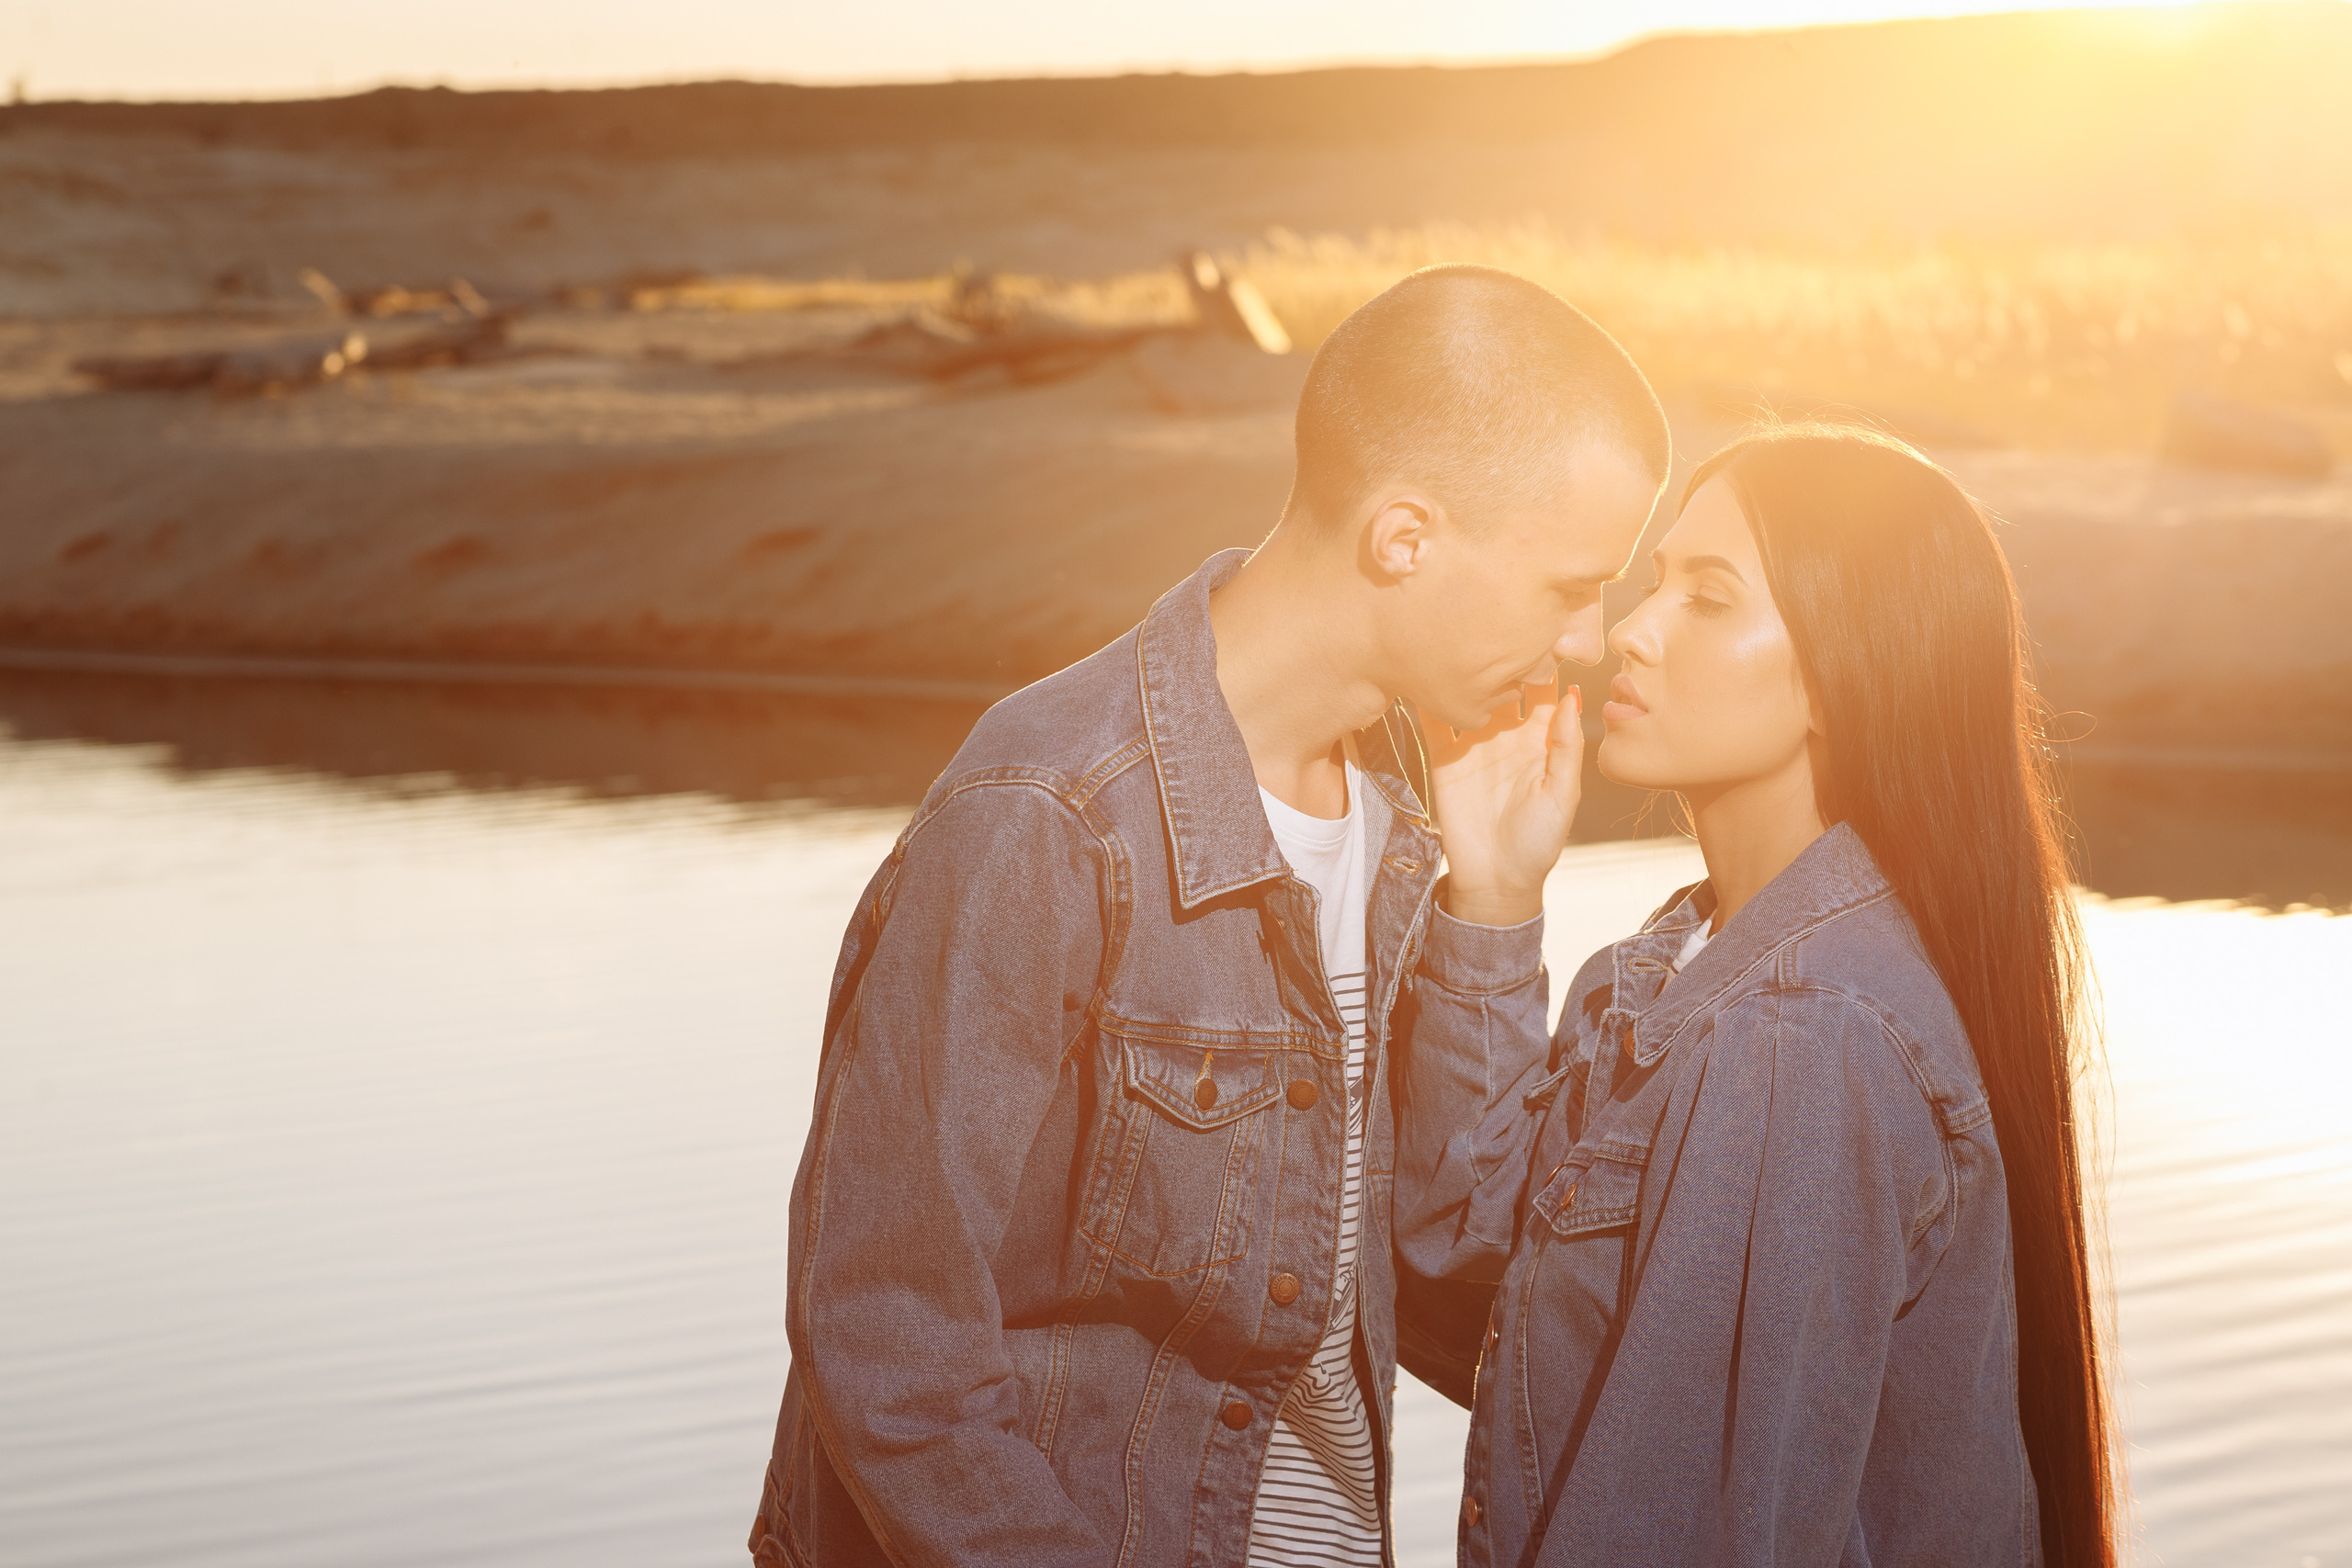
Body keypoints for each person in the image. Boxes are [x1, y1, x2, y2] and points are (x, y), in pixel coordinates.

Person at [747, 265, 1669, 1567]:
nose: (1587, 639)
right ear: (1406, 537)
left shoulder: (1410, 826)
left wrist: (1495, 903)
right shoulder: (1051, 815)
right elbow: (890, 1343)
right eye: (1572, 584)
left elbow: (1458, 1278)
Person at [1399, 426, 2116, 1566]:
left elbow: (1677, 1539)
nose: (1626, 633)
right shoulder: (1670, 967)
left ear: (1848, 667)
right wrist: (1491, 898)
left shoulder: (1799, 1037)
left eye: (1708, 597)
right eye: (1653, 584)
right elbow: (1459, 1270)